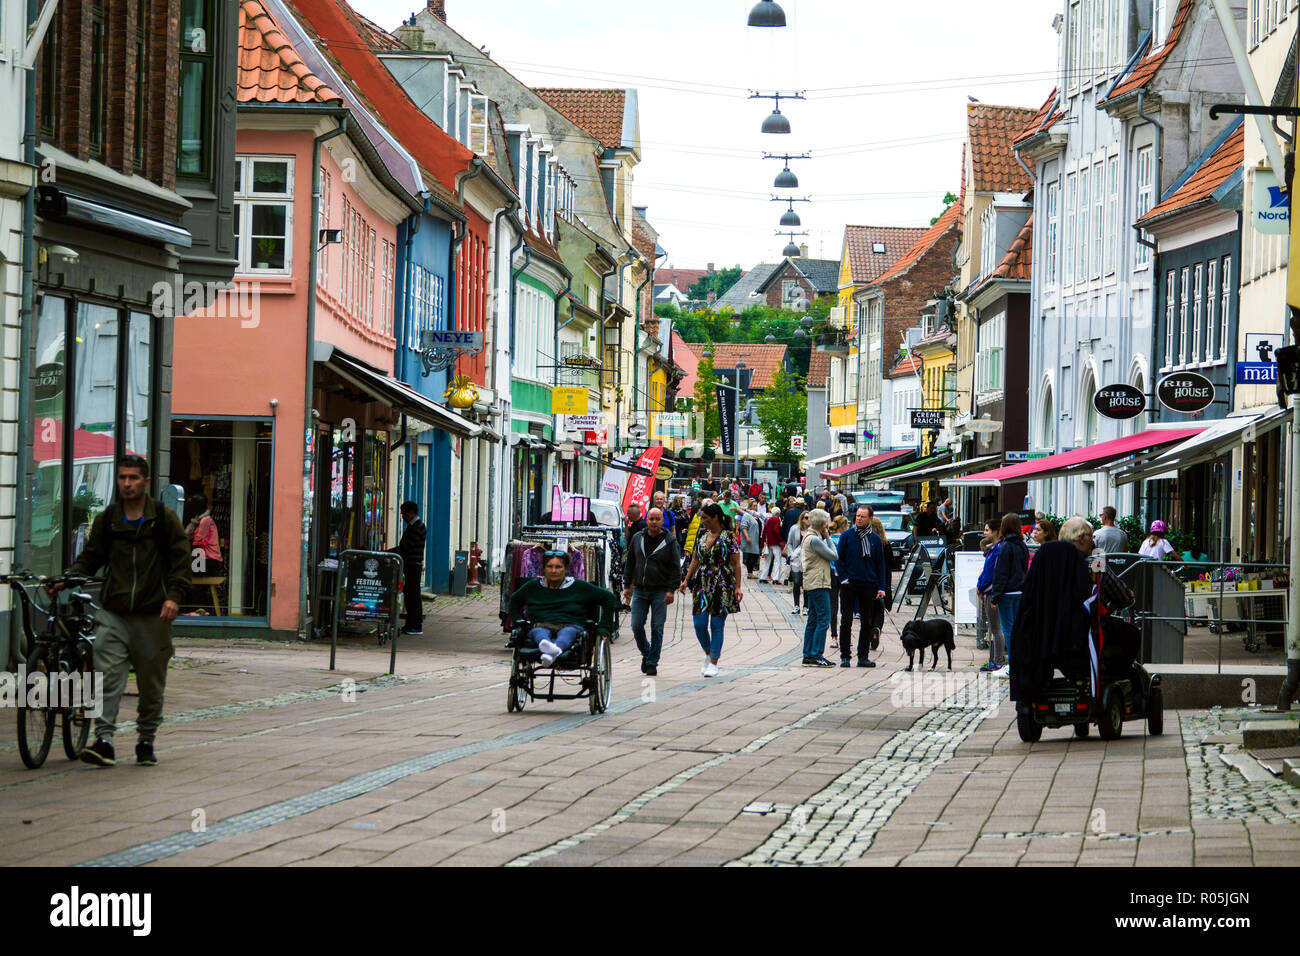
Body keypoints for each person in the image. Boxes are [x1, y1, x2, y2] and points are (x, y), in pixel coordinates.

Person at [62, 455, 190, 768]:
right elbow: (92, 557)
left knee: (151, 684)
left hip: (152, 615)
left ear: (146, 482)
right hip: (114, 612)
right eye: (122, 478)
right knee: (107, 676)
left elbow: (181, 561)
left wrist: (173, 597)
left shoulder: (163, 518)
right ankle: (103, 739)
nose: (127, 484)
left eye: (133, 478)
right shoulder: (108, 519)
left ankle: (145, 740)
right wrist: (68, 576)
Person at [509, 551, 619, 666]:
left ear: (566, 569)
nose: (553, 571)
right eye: (550, 567)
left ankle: (555, 649)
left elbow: (609, 598)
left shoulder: (578, 586)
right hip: (541, 624)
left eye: (558, 567)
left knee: (568, 632)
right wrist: (517, 621)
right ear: (544, 569)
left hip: (570, 624)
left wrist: (604, 627)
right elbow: (514, 600)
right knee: (538, 632)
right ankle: (547, 646)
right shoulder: (533, 586)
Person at [681, 502, 744, 677]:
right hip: (702, 583)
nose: (702, 521)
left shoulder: (728, 536)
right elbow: (695, 559)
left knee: (717, 624)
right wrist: (687, 579)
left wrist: (738, 587)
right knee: (699, 624)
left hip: (722, 583)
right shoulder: (702, 535)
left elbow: (736, 564)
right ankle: (708, 653)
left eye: (705, 518)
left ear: (715, 517)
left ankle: (714, 662)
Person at [623, 508, 682, 677]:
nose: (654, 522)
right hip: (641, 590)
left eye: (657, 519)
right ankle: (646, 652)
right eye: (651, 519)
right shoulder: (637, 538)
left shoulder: (670, 541)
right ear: (647, 520)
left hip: (661, 591)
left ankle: (652, 662)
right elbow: (630, 562)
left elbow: (675, 568)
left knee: (657, 627)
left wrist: (671, 590)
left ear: (662, 521)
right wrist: (627, 585)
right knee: (635, 625)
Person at [836, 505, 889, 668]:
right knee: (846, 621)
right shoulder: (847, 536)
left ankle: (863, 656)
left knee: (866, 622)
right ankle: (845, 656)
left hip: (868, 585)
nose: (859, 519)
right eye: (857, 516)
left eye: (863, 516)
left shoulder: (875, 540)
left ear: (870, 519)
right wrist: (844, 578)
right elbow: (838, 559)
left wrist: (881, 587)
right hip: (849, 584)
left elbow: (880, 565)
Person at [987, 513, 1030, 677]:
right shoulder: (1022, 545)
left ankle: (1013, 665)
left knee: (1008, 630)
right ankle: (1018, 663)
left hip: (1006, 593)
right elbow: (1024, 569)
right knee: (1016, 629)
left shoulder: (1006, 546)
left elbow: (1001, 573)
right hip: (1019, 591)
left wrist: (995, 596)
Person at [801, 510, 838, 667]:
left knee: (813, 618)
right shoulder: (815, 540)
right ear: (823, 524)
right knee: (824, 619)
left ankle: (808, 654)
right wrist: (829, 538)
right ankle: (816, 654)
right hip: (818, 582)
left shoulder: (810, 537)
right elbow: (834, 555)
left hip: (812, 581)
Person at [390, 501, 428, 635]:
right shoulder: (415, 526)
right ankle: (412, 623)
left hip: (413, 565)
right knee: (411, 595)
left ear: (412, 512)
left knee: (412, 596)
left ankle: (415, 624)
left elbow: (406, 547)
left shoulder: (417, 527)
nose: (403, 516)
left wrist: (389, 552)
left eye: (404, 513)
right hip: (412, 565)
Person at [977, 520, 1003, 673]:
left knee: (996, 628)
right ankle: (996, 660)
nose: (985, 533)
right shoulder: (994, 548)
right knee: (995, 628)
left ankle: (998, 661)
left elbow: (989, 573)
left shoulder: (997, 549)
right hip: (989, 590)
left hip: (991, 591)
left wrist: (980, 587)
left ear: (995, 531)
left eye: (987, 530)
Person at [185, 494, 223, 579]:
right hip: (204, 557)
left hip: (208, 559)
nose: (192, 507)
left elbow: (197, 541)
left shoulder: (205, 520)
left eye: (194, 505)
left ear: (200, 506)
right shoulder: (198, 520)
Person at [827, 515, 849, 651]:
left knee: (833, 606)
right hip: (844, 575)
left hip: (832, 573)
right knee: (846, 607)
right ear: (844, 526)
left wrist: (833, 569)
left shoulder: (829, 539)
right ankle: (845, 637)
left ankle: (834, 637)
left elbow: (830, 557)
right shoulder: (845, 538)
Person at [786, 510, 810, 616]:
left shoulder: (812, 531)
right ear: (801, 518)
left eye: (809, 518)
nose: (808, 519)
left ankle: (806, 606)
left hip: (808, 560)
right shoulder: (794, 528)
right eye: (806, 517)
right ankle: (796, 605)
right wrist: (791, 555)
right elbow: (789, 543)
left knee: (806, 584)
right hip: (796, 560)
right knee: (796, 582)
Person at [738, 502, 763, 577]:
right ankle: (750, 573)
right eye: (754, 506)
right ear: (750, 507)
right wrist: (747, 537)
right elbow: (743, 527)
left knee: (755, 555)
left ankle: (750, 572)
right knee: (753, 555)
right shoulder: (747, 516)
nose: (756, 507)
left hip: (757, 538)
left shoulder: (757, 516)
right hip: (751, 538)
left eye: (756, 506)